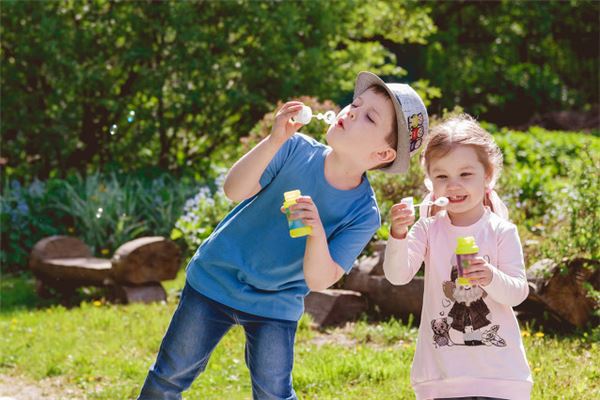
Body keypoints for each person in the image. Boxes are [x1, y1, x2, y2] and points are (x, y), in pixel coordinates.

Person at [137, 71, 429, 399]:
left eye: (368, 117)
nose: (350, 112)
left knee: (274, 393)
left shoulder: (363, 213)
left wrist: (317, 232)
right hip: (214, 281)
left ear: (382, 155)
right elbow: (233, 190)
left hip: (276, 303)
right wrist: (275, 139)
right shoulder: (293, 150)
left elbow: (321, 280)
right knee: (169, 376)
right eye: (355, 104)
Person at [383, 114, 532, 400]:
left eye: (465, 174)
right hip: (442, 377)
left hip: (500, 377)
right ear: (430, 182)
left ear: (487, 176)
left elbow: (517, 293)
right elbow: (397, 275)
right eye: (442, 176)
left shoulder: (501, 231)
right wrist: (398, 235)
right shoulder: (427, 229)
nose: (453, 186)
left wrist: (490, 276)